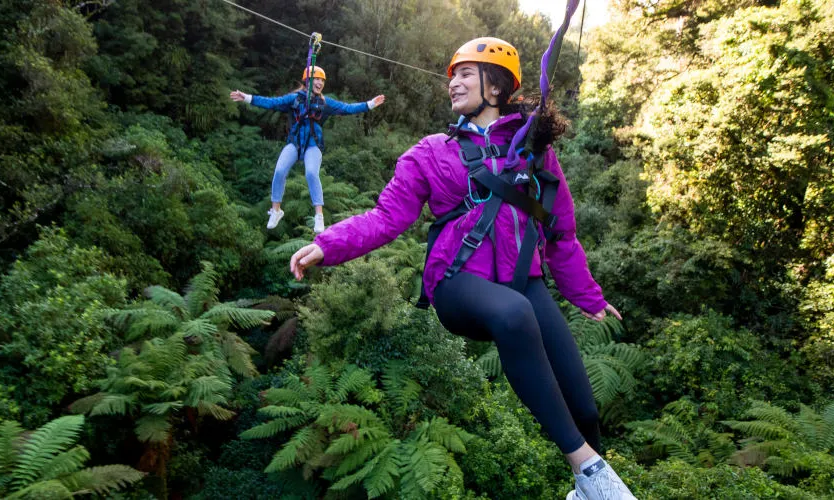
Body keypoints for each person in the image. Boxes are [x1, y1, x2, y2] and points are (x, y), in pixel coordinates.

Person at [287, 38, 637, 500]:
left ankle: (583, 486)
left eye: (466, 74)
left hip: (523, 283)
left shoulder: (533, 152)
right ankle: (591, 473)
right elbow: (386, 217)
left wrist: (587, 296)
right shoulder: (431, 152)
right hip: (456, 281)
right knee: (512, 315)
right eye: (452, 75)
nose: (453, 82)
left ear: (495, 87)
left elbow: (561, 233)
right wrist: (326, 245)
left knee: (584, 406)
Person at [230, 66, 386, 233]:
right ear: (307, 81)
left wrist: (370, 104)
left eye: (322, 80)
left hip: (313, 144)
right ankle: (276, 210)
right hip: (295, 143)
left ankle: (319, 216)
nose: (319, 83)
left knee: (311, 173)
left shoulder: (326, 103)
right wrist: (246, 97)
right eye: (316, 79)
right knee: (279, 170)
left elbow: (347, 108)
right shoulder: (294, 99)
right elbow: (271, 103)